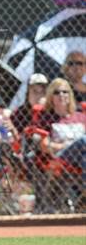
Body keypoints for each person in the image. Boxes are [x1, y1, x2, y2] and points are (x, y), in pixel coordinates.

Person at [34, 78, 85, 212]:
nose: (62, 95)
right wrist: (67, 146)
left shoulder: (80, 117)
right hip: (60, 157)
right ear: (51, 96)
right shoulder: (46, 117)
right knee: (83, 141)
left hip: (81, 159)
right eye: (57, 92)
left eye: (65, 91)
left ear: (70, 95)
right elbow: (44, 145)